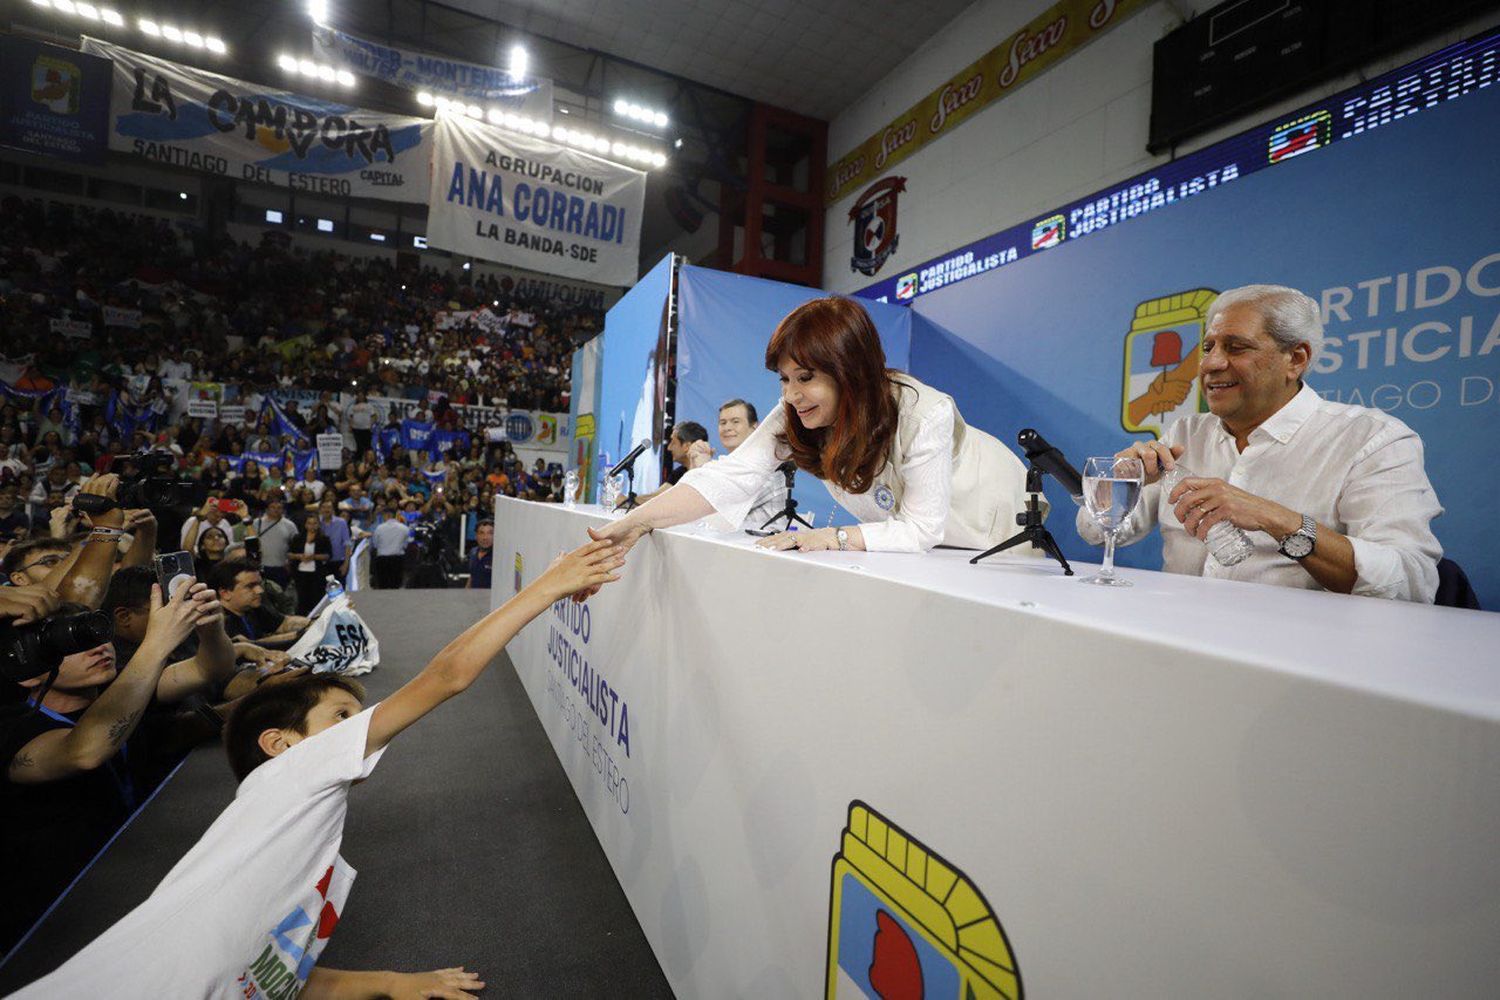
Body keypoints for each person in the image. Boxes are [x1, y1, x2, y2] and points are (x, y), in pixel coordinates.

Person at [8, 539, 624, 998]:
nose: (358, 730)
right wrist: (548, 586)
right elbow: (448, 677)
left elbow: (270, 973)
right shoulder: (290, 779)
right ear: (279, 743)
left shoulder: (292, 822)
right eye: (340, 718)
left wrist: (389, 984)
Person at [588, 296, 1031, 561]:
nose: (792, 395)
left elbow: (921, 529)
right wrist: (637, 521)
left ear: (850, 371)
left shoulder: (924, 414)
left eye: (805, 378)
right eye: (784, 379)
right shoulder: (793, 414)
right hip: (924, 543)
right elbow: (728, 477)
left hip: (990, 515)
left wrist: (831, 537)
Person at [1076, 284, 1444, 600]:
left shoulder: (1373, 440)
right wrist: (1119, 483)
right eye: (1208, 347)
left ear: (1295, 359)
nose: (1211, 364)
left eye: (1236, 348)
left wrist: (1277, 519)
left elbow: (1411, 581)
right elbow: (1096, 533)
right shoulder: (1187, 433)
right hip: (1177, 639)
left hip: (1300, 658)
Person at [0, 583, 221, 953]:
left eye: (95, 633)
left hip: (133, 881)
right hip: (53, 927)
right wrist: (156, 644)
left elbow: (210, 666)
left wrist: (208, 625)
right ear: (29, 670)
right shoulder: (12, 727)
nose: (100, 646)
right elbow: (83, 751)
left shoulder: (119, 694)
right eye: (75, 642)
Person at [210, 558, 313, 649]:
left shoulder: (253, 608)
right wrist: (303, 633)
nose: (260, 590)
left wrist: (314, 623)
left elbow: (285, 622)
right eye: (250, 586)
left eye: (259, 584)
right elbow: (249, 645)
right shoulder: (216, 622)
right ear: (225, 593)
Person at [291, 513, 333, 615]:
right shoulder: (298, 538)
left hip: (317, 574)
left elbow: (328, 555)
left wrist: (313, 557)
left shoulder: (324, 539)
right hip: (300, 573)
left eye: (314, 523)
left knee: (316, 598)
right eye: (309, 523)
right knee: (302, 600)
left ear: (318, 524)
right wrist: (300, 556)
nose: (312, 526)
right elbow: (289, 553)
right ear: (305, 525)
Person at [253, 497, 300, 587]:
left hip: (281, 567)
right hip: (261, 566)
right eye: (273, 507)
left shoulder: (289, 525)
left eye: (279, 508)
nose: (276, 510)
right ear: (267, 509)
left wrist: (290, 561)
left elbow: (296, 545)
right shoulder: (257, 523)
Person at [371, 507, 411, 589]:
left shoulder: (379, 528)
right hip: (398, 558)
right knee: (396, 585)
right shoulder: (404, 528)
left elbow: (375, 544)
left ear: (386, 516)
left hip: (382, 559)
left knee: (383, 585)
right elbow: (406, 545)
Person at [466, 518, 493, 589]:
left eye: (490, 533)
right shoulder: (473, 552)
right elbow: (472, 576)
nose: (485, 537)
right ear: (476, 536)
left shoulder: (498, 556)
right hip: (473, 598)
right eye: (481, 533)